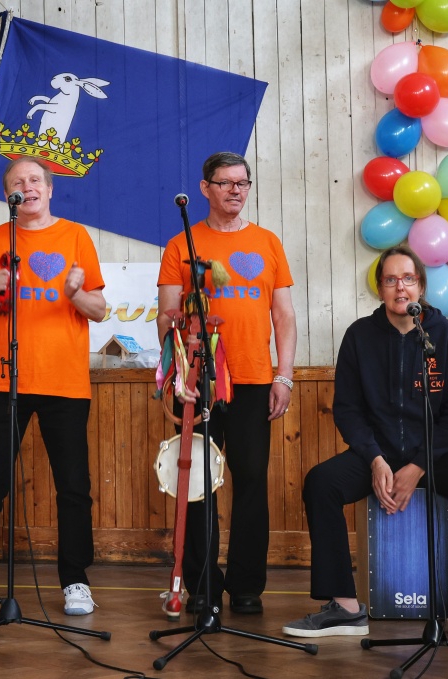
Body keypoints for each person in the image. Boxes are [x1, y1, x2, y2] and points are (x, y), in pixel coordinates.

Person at [282, 246, 448, 642]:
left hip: (432, 457)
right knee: (321, 483)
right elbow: (347, 410)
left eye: (408, 279)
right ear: (380, 288)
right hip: (375, 455)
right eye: (390, 280)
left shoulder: (443, 335)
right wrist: (375, 459)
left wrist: (419, 465)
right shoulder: (359, 336)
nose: (400, 287)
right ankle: (344, 608)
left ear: (420, 285)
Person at [0, 157, 107, 617]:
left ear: (50, 190)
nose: (28, 186)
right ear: (8, 195)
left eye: (36, 180)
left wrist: (75, 293)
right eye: (19, 182)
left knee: (73, 487)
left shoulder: (76, 237)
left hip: (64, 381)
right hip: (4, 379)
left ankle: (76, 581)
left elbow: (99, 309)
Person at [156, 151, 296, 617]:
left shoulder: (268, 243)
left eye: (243, 182)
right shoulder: (181, 245)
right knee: (199, 483)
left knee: (251, 481)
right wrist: (179, 374)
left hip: (254, 379)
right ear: (205, 188)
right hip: (200, 382)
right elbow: (166, 317)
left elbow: (284, 316)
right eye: (226, 182)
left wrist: (284, 376)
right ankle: (202, 584)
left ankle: (247, 585)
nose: (236, 190)